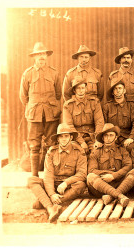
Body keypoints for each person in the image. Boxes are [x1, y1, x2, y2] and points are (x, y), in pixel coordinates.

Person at [27, 123, 87, 222]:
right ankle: (51, 208)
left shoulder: (79, 151)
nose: (64, 139)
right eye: (61, 136)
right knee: (32, 180)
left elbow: (82, 174)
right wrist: (51, 194)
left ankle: (46, 202)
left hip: (68, 187)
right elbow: (48, 176)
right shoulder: (51, 152)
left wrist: (66, 183)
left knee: (81, 185)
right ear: (58, 139)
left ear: (71, 137)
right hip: (53, 185)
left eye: (66, 136)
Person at [20, 42, 61, 177]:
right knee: (34, 144)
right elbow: (23, 96)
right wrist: (33, 106)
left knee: (51, 143)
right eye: (38, 54)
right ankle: (34, 175)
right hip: (34, 114)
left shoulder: (54, 73)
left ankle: (49, 175)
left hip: (51, 113)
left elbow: (58, 94)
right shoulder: (28, 74)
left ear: (47, 56)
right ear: (34, 57)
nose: (41, 57)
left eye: (43, 54)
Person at [87, 123, 134, 207]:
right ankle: (119, 196)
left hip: (119, 184)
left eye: (111, 135)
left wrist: (114, 176)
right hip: (101, 187)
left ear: (116, 137)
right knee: (90, 176)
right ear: (102, 138)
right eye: (106, 135)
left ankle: (111, 197)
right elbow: (91, 170)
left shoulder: (122, 150)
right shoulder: (96, 152)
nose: (108, 138)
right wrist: (108, 174)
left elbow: (128, 166)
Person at [63, 76, 104, 154]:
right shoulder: (68, 105)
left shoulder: (94, 102)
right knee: (77, 153)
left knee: (96, 153)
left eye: (82, 88)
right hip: (76, 138)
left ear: (86, 89)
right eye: (78, 88)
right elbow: (69, 126)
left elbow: (99, 122)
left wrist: (97, 140)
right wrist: (81, 142)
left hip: (92, 136)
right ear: (74, 90)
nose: (81, 90)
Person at [102, 78, 134, 153]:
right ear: (112, 92)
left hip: (127, 137)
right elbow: (103, 125)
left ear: (124, 90)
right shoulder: (107, 107)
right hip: (111, 138)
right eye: (115, 89)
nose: (118, 90)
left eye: (120, 88)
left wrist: (131, 138)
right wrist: (109, 139)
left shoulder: (132, 105)